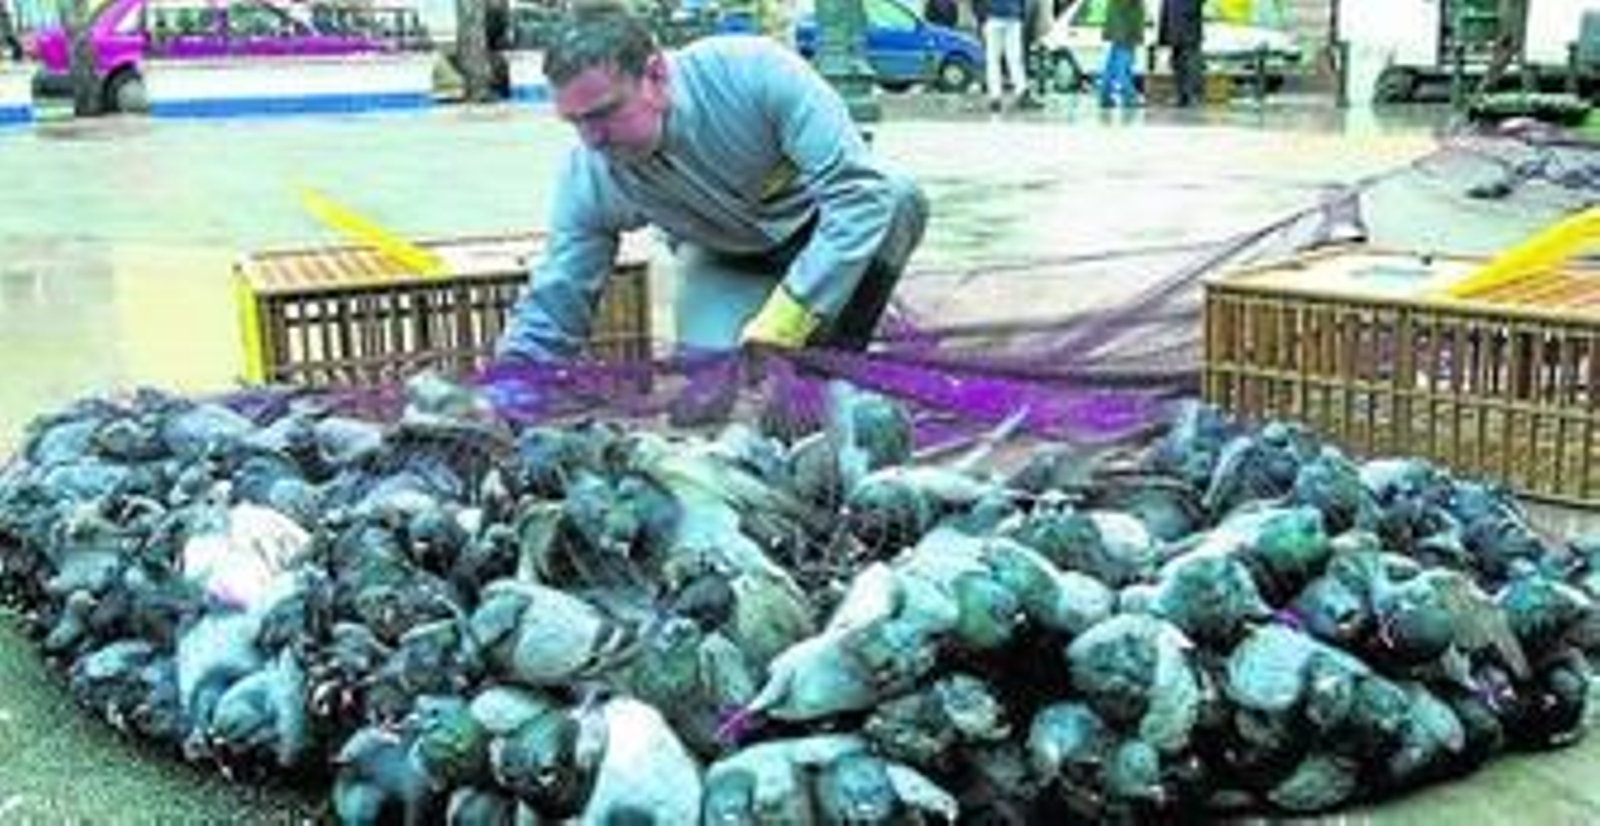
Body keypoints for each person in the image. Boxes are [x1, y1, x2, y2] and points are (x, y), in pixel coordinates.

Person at [495, 2, 927, 367]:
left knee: (897, 197)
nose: (591, 138)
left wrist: (791, 314)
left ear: (656, 76)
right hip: (724, 259)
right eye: (575, 122)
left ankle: (844, 346)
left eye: (603, 113)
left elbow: (858, 197)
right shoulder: (592, 172)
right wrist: (509, 385)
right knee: (707, 392)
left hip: (820, 230)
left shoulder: (756, 73)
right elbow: (558, 294)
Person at [981, 0, 1028, 111]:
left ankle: (995, 97)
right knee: (1014, 58)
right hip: (1012, 15)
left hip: (995, 17)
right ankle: (1021, 92)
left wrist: (982, 17)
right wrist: (1021, 13)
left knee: (993, 60)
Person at [1096, 0, 1143, 108]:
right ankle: (1129, 96)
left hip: (1120, 27)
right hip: (1125, 29)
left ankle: (1105, 95)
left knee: (1112, 64)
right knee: (1123, 65)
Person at [1157, 0, 1203, 107]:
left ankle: (1192, 95)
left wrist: (1191, 8)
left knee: (1191, 60)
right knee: (1177, 60)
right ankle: (1181, 94)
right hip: (1173, 20)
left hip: (1188, 20)